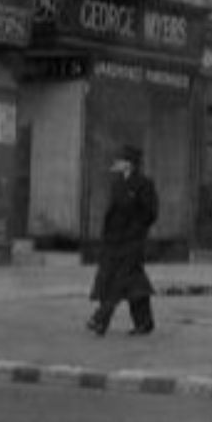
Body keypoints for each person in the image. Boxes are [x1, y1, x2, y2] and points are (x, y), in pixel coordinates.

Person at [88, 144, 158, 337]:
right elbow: (112, 213)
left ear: (129, 164)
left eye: (119, 160)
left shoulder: (144, 184)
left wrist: (135, 231)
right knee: (133, 282)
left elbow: (150, 213)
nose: (115, 163)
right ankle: (144, 322)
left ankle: (100, 319)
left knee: (119, 280)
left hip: (132, 242)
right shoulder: (117, 184)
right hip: (114, 241)